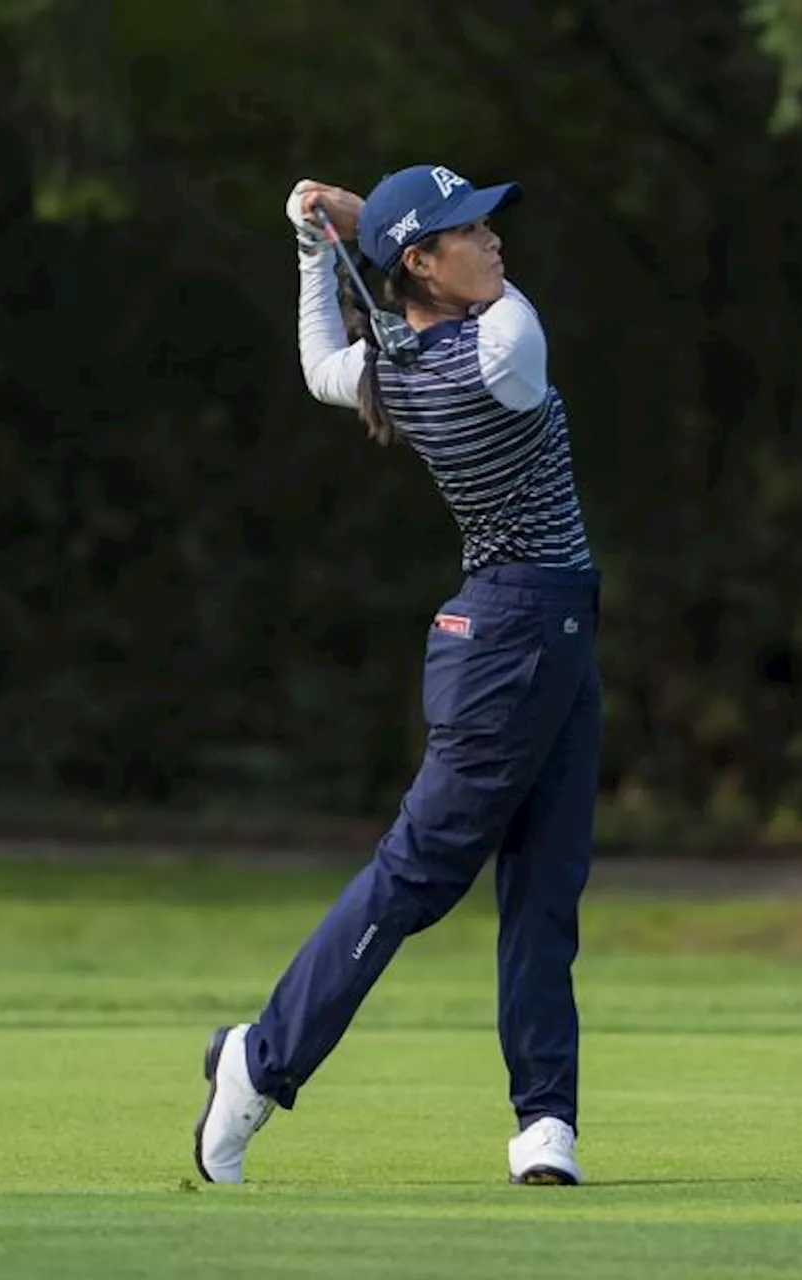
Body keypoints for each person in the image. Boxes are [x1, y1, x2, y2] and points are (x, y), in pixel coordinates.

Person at [193, 163, 602, 1187]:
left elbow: (318, 358)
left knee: (545, 885)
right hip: (511, 634)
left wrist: (314, 242)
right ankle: (263, 1056)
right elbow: (491, 315)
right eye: (468, 230)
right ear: (420, 259)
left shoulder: (394, 361)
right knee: (418, 872)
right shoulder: (503, 345)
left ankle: (543, 1120)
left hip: (541, 633)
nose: (494, 240)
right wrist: (352, 227)